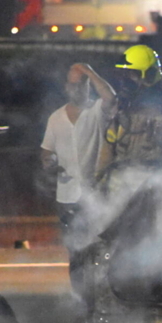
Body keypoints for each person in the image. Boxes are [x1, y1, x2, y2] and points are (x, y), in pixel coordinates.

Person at [40, 62, 116, 291]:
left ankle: (101, 297)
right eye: (73, 85)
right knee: (75, 251)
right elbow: (46, 152)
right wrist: (49, 164)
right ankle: (81, 301)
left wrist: (90, 72)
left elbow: (110, 97)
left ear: (88, 87)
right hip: (67, 197)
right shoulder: (56, 118)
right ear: (66, 88)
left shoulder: (97, 111)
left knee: (100, 249)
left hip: (95, 194)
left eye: (82, 84)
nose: (77, 89)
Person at [95, 44, 162, 204]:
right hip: (119, 196)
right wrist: (96, 190)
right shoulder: (119, 111)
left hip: (158, 193)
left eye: (131, 75)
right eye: (124, 74)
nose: (125, 81)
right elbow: (106, 153)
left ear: (149, 76)